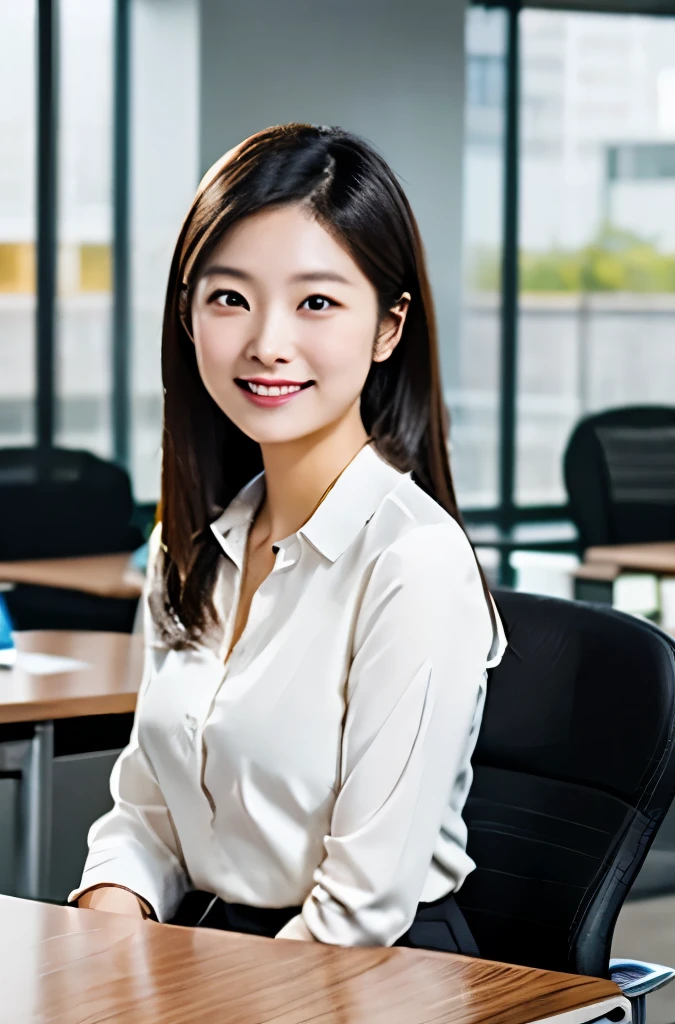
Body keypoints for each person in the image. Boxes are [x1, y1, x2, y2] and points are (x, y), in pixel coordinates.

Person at [69, 124, 506, 954]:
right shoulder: (193, 545)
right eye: (230, 297)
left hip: (370, 977)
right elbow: (149, 815)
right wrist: (110, 937)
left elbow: (362, 909)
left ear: (388, 326)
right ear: (189, 317)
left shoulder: (412, 562)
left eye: (316, 302)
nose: (267, 342)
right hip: (216, 952)